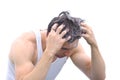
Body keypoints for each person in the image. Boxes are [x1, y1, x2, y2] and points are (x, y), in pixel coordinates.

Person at [6, 11, 106, 80]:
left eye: (71, 48)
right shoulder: (24, 45)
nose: (67, 53)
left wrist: (94, 46)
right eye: (63, 48)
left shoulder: (70, 46)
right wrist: (50, 52)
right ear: (49, 36)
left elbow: (98, 77)